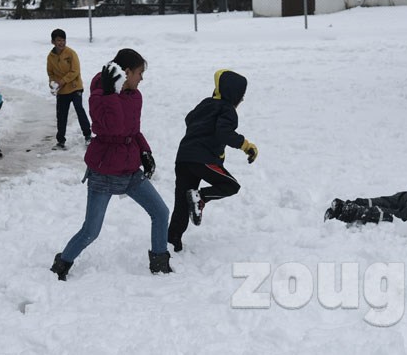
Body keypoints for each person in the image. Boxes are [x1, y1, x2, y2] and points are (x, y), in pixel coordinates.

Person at [50, 48, 171, 280]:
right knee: (91, 231)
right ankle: (62, 263)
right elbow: (112, 127)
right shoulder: (98, 94)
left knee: (160, 212)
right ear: (126, 72)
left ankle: (159, 262)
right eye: (139, 73)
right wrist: (110, 94)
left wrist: (145, 151)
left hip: (130, 169)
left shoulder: (136, 95)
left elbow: (132, 129)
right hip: (103, 172)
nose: (141, 78)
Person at [167, 69, 259, 253]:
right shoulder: (228, 110)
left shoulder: (205, 105)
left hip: (183, 158)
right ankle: (201, 197)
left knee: (182, 203)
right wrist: (246, 145)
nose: (242, 100)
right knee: (231, 186)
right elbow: (223, 133)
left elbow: (190, 119)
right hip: (202, 160)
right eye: (241, 96)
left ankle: (172, 242)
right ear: (233, 95)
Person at [47, 28, 92, 150]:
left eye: (63, 40)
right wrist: (52, 84)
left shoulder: (71, 53)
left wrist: (63, 81)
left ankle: (88, 135)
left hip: (75, 87)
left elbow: (75, 71)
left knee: (79, 109)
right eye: (58, 40)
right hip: (61, 91)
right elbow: (50, 73)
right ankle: (60, 140)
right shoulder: (50, 57)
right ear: (53, 42)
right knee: (61, 115)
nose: (61, 43)